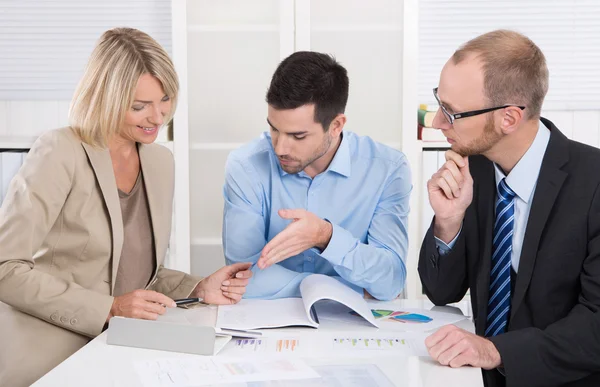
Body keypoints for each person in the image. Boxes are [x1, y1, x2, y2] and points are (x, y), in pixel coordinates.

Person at [0, 28, 252, 387]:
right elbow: (5, 268)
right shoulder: (60, 151)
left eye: (165, 99)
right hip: (49, 355)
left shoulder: (159, 162)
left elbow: (136, 274)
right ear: (105, 98)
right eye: (139, 106)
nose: (157, 116)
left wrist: (197, 289)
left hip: (124, 349)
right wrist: (108, 309)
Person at [419, 30, 600, 387]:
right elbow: (441, 293)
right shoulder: (476, 169)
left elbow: (596, 324)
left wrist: (495, 351)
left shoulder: (593, 182)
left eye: (451, 113)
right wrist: (448, 222)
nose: (438, 123)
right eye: (439, 103)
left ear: (509, 119)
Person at [222, 51, 411, 300]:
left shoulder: (388, 169)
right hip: (269, 327)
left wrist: (326, 236)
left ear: (336, 126)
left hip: (353, 329)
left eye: (298, 136)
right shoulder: (245, 166)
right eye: (274, 129)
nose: (280, 148)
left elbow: (390, 280)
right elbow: (243, 278)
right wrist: (351, 289)